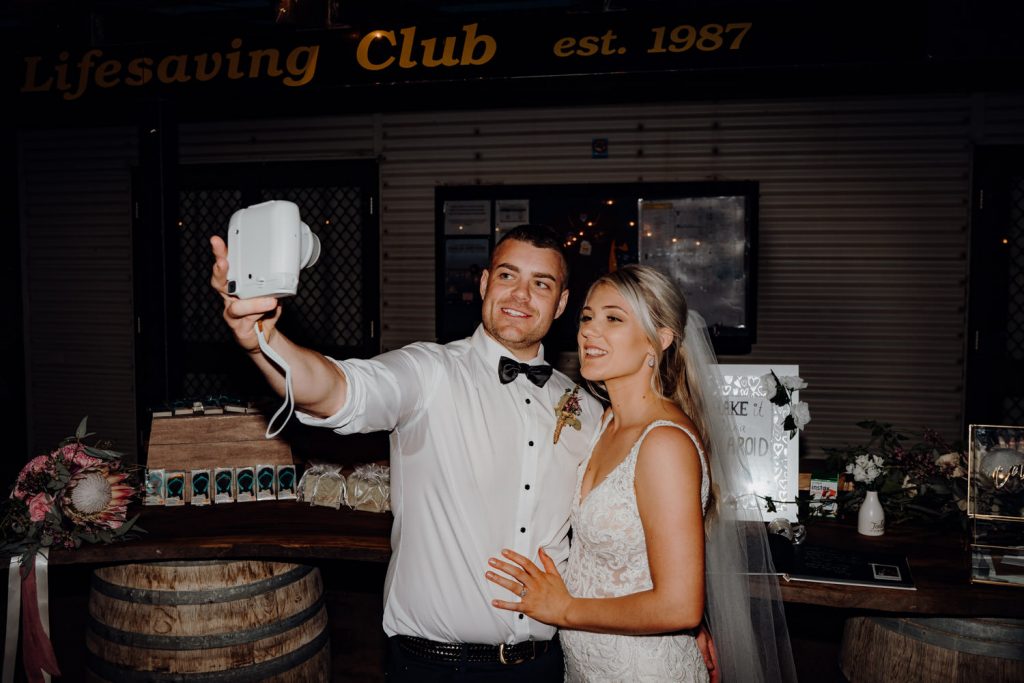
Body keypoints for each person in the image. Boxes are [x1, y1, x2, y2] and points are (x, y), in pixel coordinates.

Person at [211, 224, 722, 681]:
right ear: (483, 284)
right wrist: (263, 341)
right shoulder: (430, 373)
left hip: (549, 667)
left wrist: (675, 627)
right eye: (507, 276)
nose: (521, 294)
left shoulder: (589, 411)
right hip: (436, 667)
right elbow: (338, 389)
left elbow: (628, 536)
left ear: (560, 303)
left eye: (541, 284)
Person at [485, 265, 796, 682]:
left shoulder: (664, 444)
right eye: (587, 317)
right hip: (587, 666)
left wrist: (564, 609)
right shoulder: (606, 421)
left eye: (614, 318)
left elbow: (680, 605)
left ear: (660, 339)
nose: (590, 332)